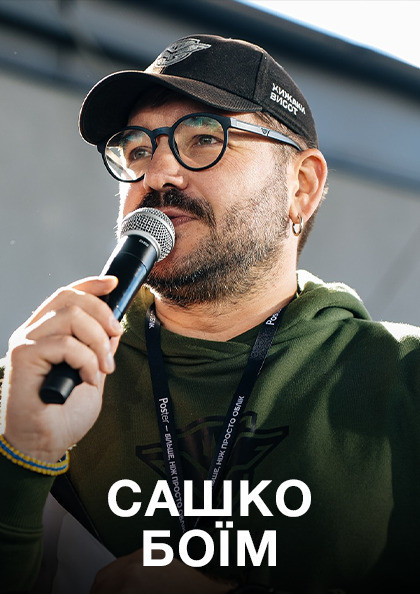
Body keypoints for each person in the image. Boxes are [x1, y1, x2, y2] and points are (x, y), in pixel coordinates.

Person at [0, 33, 419, 594]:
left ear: (301, 186)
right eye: (137, 151)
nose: (157, 175)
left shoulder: (405, 379)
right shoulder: (38, 381)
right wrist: (22, 454)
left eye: (203, 138)